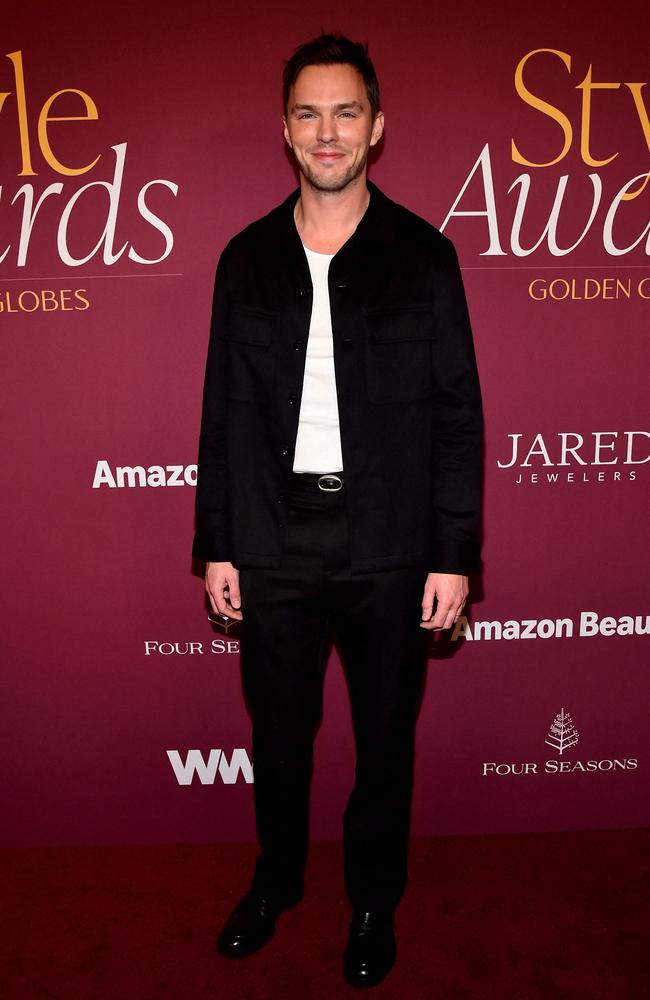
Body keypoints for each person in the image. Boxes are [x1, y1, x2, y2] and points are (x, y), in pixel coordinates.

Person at [192, 32, 483, 988]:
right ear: (287, 130)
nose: (328, 131)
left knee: (384, 741)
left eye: (346, 111)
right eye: (310, 113)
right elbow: (224, 413)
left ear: (377, 126)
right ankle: (276, 883)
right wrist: (219, 545)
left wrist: (453, 555)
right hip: (274, 541)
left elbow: (456, 414)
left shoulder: (426, 258)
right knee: (276, 738)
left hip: (391, 543)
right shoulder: (244, 260)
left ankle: (372, 901)